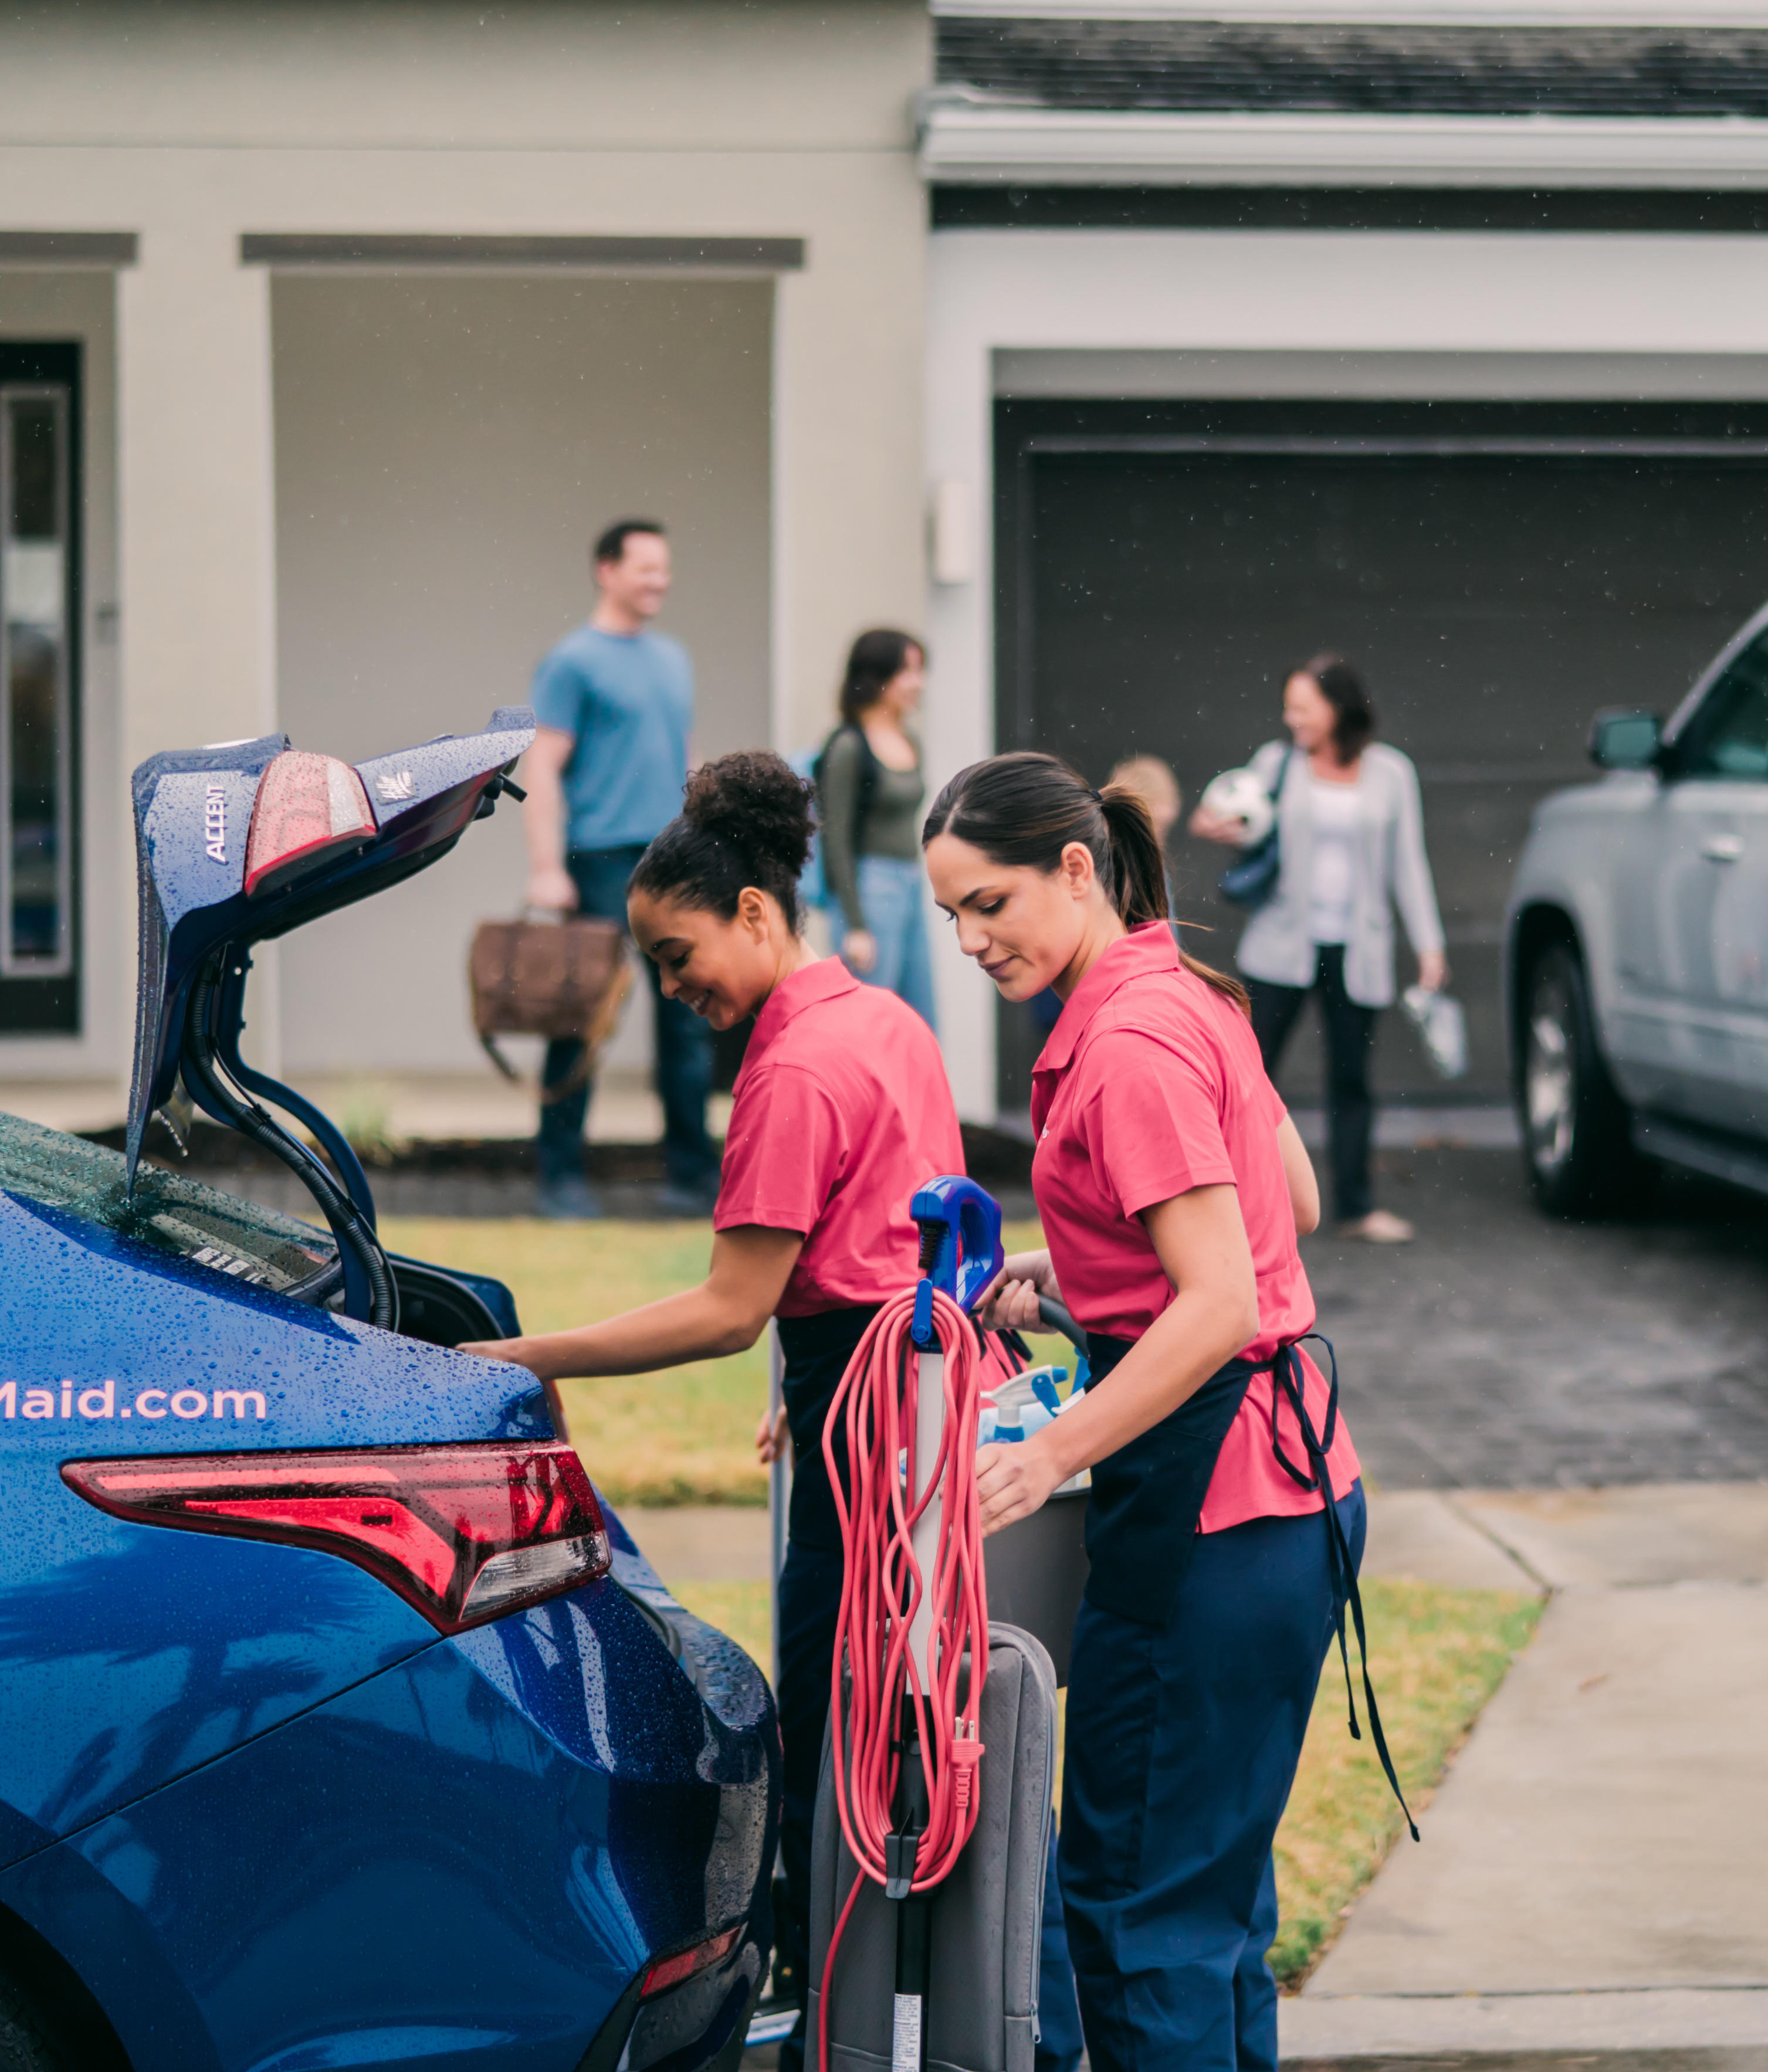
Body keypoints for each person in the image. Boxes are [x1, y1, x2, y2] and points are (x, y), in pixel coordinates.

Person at [461, 752, 1079, 2072]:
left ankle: (840, 2028)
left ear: (754, 910)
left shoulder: (789, 1069)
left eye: (682, 956)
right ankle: (953, 2019)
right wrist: (809, 1389)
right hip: (919, 1406)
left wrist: (521, 1349)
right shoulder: (890, 1018)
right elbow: (892, 1256)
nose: (677, 993)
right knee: (924, 1725)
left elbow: (731, 1303)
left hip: (865, 1436)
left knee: (839, 1747)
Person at [925, 753, 1387, 2072]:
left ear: (1077, 867)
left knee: (1136, 1912)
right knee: (1213, 1903)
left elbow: (1223, 1301)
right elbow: (1281, 1201)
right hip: (1297, 1499)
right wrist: (1078, 1277)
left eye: (993, 902)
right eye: (954, 912)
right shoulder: (1183, 990)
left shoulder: (1122, 1042)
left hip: (1217, 1515)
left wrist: (1049, 1449)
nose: (973, 939)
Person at [1191, 655, 1446, 1244]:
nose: (1292, 718)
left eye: (1304, 707)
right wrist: (1213, 825)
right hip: (1281, 944)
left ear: (1338, 708)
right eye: (1290, 707)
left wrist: (1429, 944)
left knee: (1351, 1080)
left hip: (1360, 948)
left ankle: (1357, 1207)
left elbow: (1409, 863)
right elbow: (1232, 814)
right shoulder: (1277, 763)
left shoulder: (1390, 773)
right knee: (1247, 1076)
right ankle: (1227, 1202)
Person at [521, 520, 716, 1219]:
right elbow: (541, 764)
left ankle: (693, 1177)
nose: (659, 580)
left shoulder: (674, 658)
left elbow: (685, 756)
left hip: (672, 856)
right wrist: (547, 867)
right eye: (645, 568)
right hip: (600, 858)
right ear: (608, 571)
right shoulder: (573, 661)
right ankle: (561, 1179)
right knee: (584, 1016)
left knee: (689, 1015)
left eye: (665, 568)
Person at [814, 628, 937, 1027]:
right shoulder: (848, 746)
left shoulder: (911, 741)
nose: (918, 683)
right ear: (878, 677)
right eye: (909, 672)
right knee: (870, 1019)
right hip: (869, 889)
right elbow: (835, 838)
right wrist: (856, 925)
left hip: (911, 884)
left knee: (920, 1018)